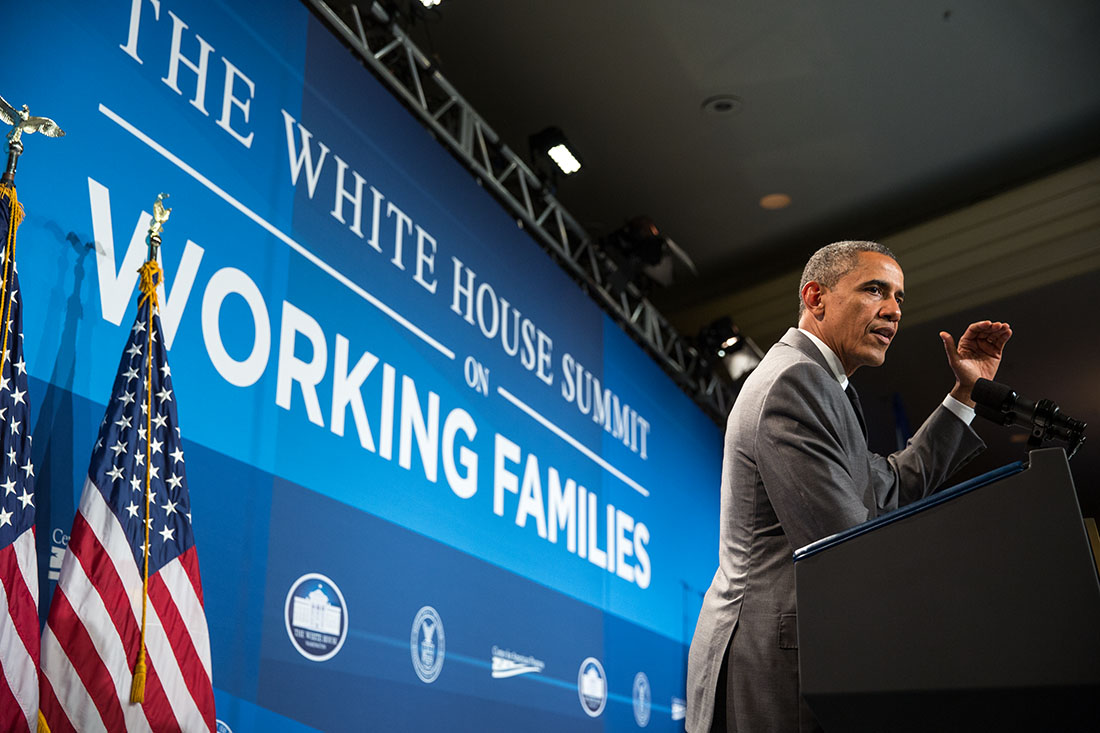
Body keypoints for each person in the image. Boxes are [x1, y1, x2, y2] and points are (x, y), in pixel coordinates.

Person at [685, 241, 1012, 733]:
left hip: (793, 654)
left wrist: (966, 392)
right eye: (875, 289)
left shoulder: (823, 384)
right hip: (773, 664)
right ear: (815, 297)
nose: (894, 310)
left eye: (900, 297)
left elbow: (890, 486)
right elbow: (846, 546)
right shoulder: (797, 382)